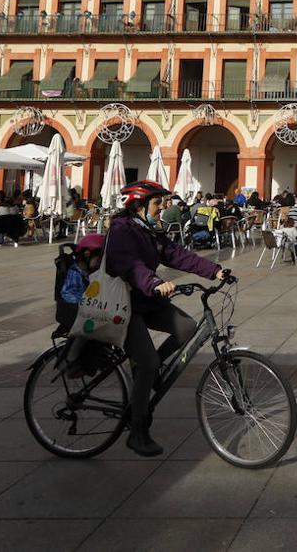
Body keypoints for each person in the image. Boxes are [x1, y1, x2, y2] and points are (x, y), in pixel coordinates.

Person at [104, 180, 226, 457]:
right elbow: (129, 264)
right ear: (138, 206)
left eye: (163, 202)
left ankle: (151, 370)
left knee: (186, 327)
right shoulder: (123, 230)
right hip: (125, 306)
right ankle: (137, 431)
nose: (164, 207)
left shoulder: (150, 231)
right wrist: (155, 282)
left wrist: (214, 270)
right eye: (158, 203)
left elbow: (176, 255)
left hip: (146, 300)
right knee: (147, 361)